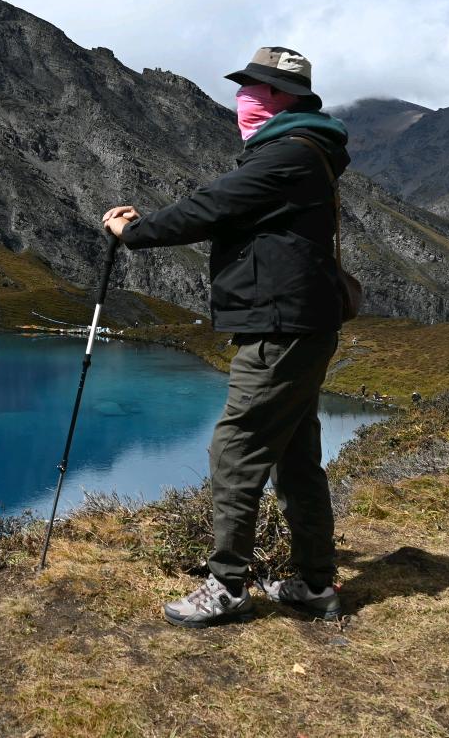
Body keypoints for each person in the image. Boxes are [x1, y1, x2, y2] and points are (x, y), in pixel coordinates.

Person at [102, 46, 349, 626]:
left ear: (288, 98)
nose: (244, 98)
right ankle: (315, 583)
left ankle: (226, 586)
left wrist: (133, 233)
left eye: (257, 89)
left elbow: (209, 207)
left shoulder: (288, 156)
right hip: (296, 325)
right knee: (295, 457)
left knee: (235, 449)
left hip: (280, 330)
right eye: (243, 87)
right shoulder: (300, 152)